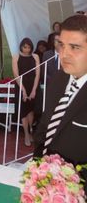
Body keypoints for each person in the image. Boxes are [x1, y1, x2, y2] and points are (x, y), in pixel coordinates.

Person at [34, 14, 87, 186]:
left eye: (75, 47)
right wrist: (38, 168)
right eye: (61, 45)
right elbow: (45, 126)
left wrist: (72, 190)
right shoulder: (58, 79)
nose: (64, 54)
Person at [12, 37, 40, 146]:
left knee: (31, 110)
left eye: (29, 47)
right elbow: (16, 74)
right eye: (25, 47)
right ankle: (26, 134)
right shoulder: (16, 57)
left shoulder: (35, 56)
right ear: (21, 47)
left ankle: (31, 131)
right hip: (20, 85)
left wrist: (33, 90)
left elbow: (38, 74)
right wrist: (23, 89)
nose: (27, 49)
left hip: (32, 84)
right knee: (23, 110)